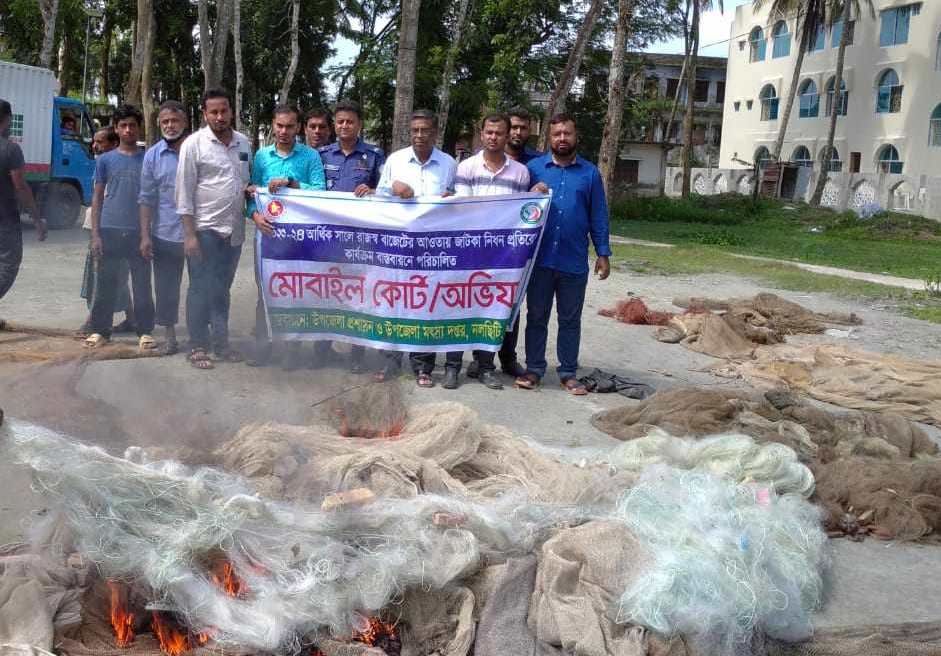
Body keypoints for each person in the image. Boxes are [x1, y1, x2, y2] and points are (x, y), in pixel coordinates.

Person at [515, 113, 611, 396]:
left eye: (566, 133)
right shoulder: (533, 169)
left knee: (570, 319)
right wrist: (530, 194)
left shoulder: (590, 173)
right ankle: (534, 369)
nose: (562, 138)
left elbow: (599, 216)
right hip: (540, 259)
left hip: (574, 260)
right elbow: (516, 210)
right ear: (549, 138)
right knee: (537, 316)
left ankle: (568, 372)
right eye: (556, 134)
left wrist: (603, 253)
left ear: (575, 136)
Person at [374, 109, 457, 388]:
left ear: (435, 133)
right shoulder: (395, 161)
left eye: (425, 130)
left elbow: (459, 201)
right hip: (396, 247)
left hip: (431, 249)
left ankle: (423, 366)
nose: (420, 135)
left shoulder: (448, 164)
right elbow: (378, 196)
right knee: (393, 300)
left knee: (426, 303)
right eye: (415, 131)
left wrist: (452, 198)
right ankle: (390, 362)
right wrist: (393, 187)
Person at [451, 113, 530, 391]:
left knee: (493, 306)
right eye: (489, 132)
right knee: (460, 305)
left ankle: (486, 366)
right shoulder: (466, 167)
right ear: (481, 134)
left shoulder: (520, 172)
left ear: (507, 136)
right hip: (468, 249)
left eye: (499, 133)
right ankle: (453, 366)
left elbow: (519, 214)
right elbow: (463, 209)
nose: (493, 137)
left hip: (502, 255)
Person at [175, 87, 252, 369]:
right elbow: (183, 193)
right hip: (205, 230)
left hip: (233, 233)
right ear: (205, 114)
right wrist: (189, 235)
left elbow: (245, 183)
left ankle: (221, 344)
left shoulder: (244, 144)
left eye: (224, 111)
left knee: (222, 289)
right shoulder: (193, 145)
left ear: (231, 111)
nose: (220, 117)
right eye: (214, 112)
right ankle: (197, 345)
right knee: (200, 288)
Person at [246, 104, 326, 368]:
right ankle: (263, 346)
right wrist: (255, 217)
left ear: (298, 128)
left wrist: (292, 184)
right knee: (266, 292)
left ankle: (293, 350)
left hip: (301, 239)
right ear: (273, 125)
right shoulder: (261, 156)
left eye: (289, 126)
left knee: (298, 291)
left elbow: (320, 191)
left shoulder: (310, 156)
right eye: (279, 126)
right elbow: (251, 194)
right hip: (268, 238)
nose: (283, 131)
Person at [316, 99, 385, 372]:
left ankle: (357, 354)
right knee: (326, 291)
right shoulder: (321, 155)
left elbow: (386, 191)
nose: (345, 126)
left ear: (360, 125)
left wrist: (374, 191)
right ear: (335, 124)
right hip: (327, 239)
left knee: (359, 294)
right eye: (340, 121)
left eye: (350, 121)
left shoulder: (374, 155)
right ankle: (322, 350)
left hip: (360, 240)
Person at [84, 104, 156, 350]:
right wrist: (95, 234)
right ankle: (100, 331)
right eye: (123, 126)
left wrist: (147, 235)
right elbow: (97, 197)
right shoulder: (104, 160)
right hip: (109, 230)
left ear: (139, 128)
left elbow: (151, 198)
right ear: (116, 129)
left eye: (132, 126)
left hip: (139, 233)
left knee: (142, 285)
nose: (128, 130)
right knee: (106, 284)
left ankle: (145, 331)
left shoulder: (148, 159)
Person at [139, 100, 189, 356]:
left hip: (198, 235)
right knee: (166, 288)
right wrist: (145, 236)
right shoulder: (152, 155)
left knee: (203, 287)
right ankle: (170, 338)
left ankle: (204, 337)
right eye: (165, 121)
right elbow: (146, 198)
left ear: (185, 123)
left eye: (174, 121)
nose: (169, 126)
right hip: (165, 233)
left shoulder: (198, 151)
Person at [79, 127, 137, 336]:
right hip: (99, 227)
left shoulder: (123, 164)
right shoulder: (101, 163)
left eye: (101, 142)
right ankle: (133, 319)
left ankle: (93, 321)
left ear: (114, 144)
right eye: (94, 141)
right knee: (111, 274)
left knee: (108, 275)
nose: (95, 145)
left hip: (113, 230)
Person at [0, 98, 45, 315]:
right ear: (8, 119)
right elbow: (20, 186)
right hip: (5, 219)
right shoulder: (10, 149)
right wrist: (36, 218)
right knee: (8, 265)